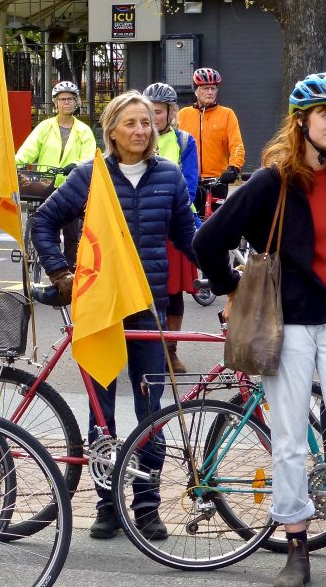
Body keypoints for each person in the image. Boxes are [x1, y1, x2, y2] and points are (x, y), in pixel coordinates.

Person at [31, 90, 197, 541]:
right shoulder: (91, 174)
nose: (141, 131)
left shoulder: (169, 177)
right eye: (131, 123)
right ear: (111, 129)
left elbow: (189, 235)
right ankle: (107, 503)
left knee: (151, 410)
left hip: (148, 306)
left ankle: (146, 507)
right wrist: (61, 272)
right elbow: (42, 221)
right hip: (99, 309)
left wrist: (226, 265)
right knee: (100, 411)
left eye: (147, 122)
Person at [194, 72, 326, 587]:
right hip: (288, 322)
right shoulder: (272, 182)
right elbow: (209, 239)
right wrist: (230, 287)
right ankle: (296, 547)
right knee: (290, 439)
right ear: (302, 124)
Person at [143, 82, 200, 373]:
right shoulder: (137, 137)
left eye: (159, 112)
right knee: (141, 292)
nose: (154, 119)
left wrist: (167, 210)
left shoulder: (184, 141)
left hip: (174, 224)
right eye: (149, 112)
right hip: (144, 223)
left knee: (173, 293)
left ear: (170, 112)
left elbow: (189, 187)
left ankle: (170, 351)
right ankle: (143, 347)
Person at [15, 80, 96, 268]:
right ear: (55, 102)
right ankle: (53, 266)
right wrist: (13, 163)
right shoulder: (45, 127)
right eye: (62, 99)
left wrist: (76, 164)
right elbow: (28, 150)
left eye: (70, 99)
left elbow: (90, 156)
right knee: (45, 228)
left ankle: (71, 268)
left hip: (72, 186)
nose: (66, 102)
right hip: (45, 184)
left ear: (76, 103)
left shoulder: (84, 131)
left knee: (71, 231)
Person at [177, 67, 245, 210]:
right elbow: (174, 143)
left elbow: (236, 144)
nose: (210, 92)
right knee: (189, 223)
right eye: (205, 88)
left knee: (216, 224)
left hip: (218, 181)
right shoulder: (183, 115)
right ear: (196, 90)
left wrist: (234, 167)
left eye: (213, 89)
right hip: (189, 180)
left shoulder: (227, 114)